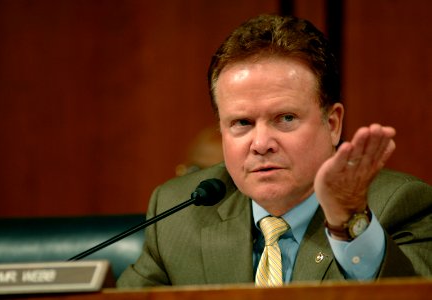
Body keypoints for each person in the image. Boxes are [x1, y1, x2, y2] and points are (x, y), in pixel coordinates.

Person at [117, 15, 432, 287]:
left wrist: (348, 222)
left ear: (333, 124)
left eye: (286, 118)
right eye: (242, 122)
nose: (261, 143)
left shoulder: (399, 205)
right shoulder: (179, 213)